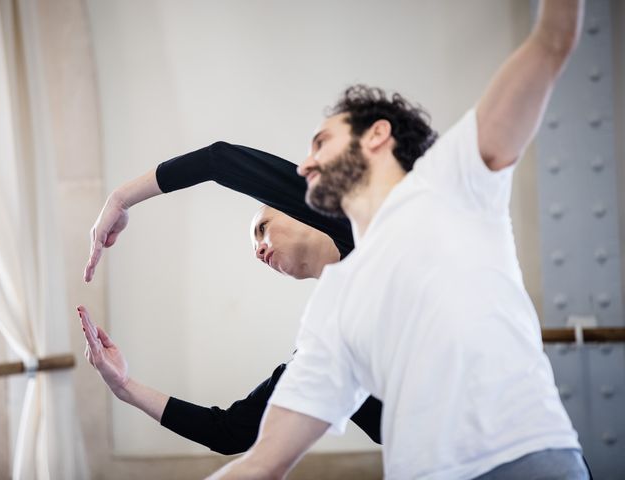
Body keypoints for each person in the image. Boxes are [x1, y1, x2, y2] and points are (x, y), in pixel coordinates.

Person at [209, 1, 588, 479]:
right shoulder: (334, 302)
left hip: (524, 460)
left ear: (376, 135)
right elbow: (264, 461)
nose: (304, 166)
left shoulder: (452, 178)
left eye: (320, 142)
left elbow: (551, 43)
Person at [79, 144, 384, 454]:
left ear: (295, 208)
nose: (259, 250)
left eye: (262, 229)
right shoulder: (325, 342)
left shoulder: (359, 224)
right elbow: (229, 433)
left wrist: (120, 198)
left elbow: (218, 160)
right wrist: (124, 387)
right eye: (255, 247)